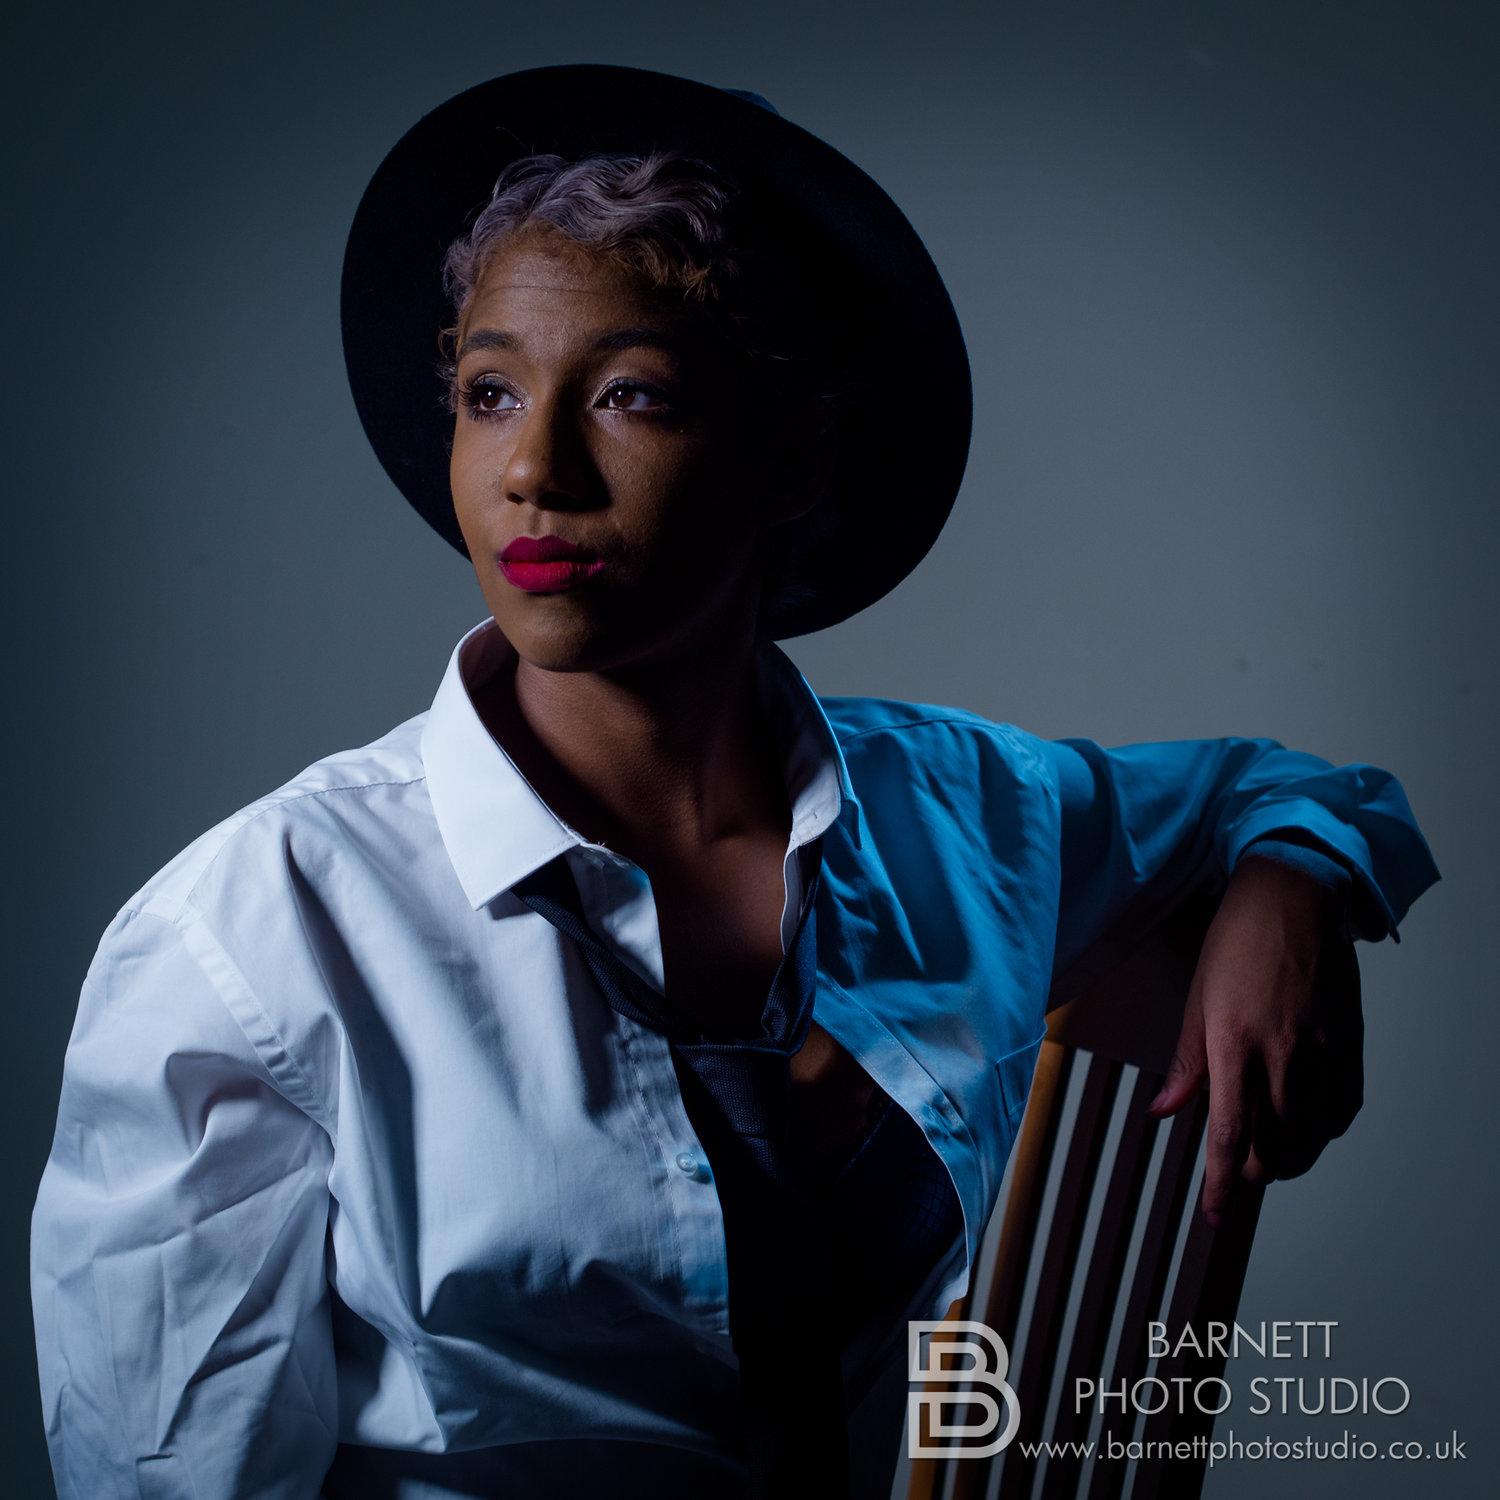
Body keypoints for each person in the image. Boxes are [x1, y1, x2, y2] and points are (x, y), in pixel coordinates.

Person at [30, 64, 1440, 1500]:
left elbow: (1289, 788)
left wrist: (1295, 877)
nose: (535, 469)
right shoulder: (249, 941)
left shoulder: (965, 812)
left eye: (630, 392)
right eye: (489, 391)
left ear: (794, 451)